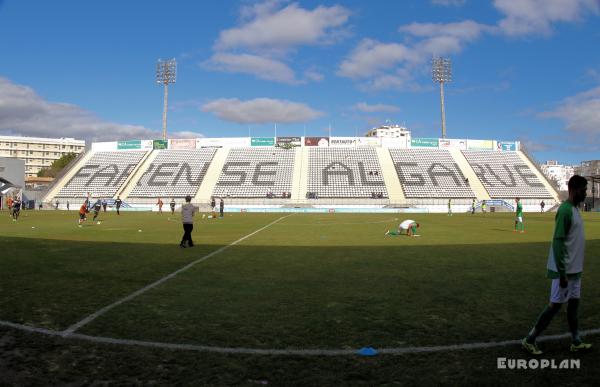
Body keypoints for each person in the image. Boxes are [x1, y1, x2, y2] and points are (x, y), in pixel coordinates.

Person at [522, 175, 591, 355]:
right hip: (565, 271)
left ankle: (576, 341)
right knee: (555, 306)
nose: (585, 193)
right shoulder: (565, 210)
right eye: (583, 190)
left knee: (574, 304)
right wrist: (561, 273)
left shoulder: (575, 210)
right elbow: (558, 242)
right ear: (574, 190)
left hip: (575, 271)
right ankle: (530, 339)